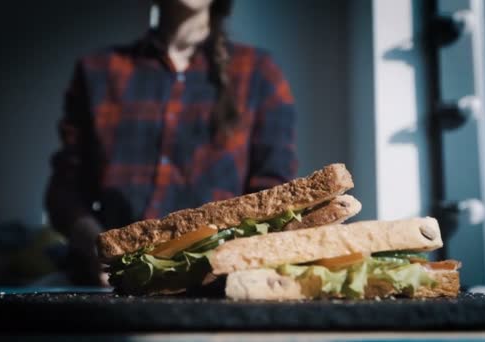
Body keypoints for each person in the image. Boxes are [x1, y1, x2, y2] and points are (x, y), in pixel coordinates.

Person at [44, 0, 298, 286]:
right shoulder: (98, 71)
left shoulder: (259, 73)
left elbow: (273, 196)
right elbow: (64, 192)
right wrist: (97, 246)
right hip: (107, 286)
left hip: (213, 284)